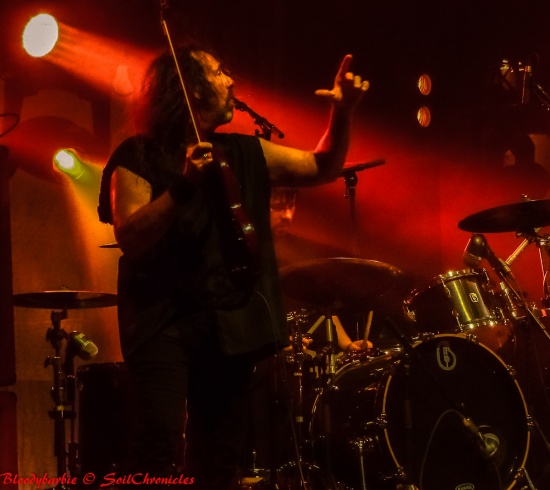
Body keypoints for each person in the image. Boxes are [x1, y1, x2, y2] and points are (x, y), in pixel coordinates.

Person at [97, 43, 368, 489]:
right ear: (190, 88)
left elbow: (320, 166)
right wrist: (184, 185)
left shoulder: (245, 152)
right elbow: (130, 234)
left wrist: (343, 113)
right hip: (161, 323)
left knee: (222, 458)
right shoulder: (139, 155)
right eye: (218, 71)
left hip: (229, 323)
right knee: (158, 444)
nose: (230, 80)